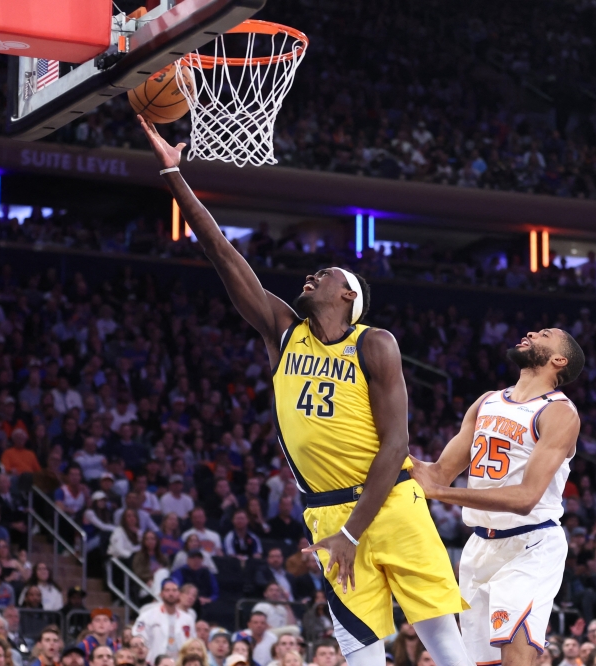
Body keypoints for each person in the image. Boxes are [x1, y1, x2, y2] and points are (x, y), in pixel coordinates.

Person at [141, 117, 469, 666]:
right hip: (325, 513)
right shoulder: (283, 332)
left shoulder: (375, 344)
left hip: (389, 504)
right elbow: (221, 252)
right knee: (358, 650)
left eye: (324, 273)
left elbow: (394, 449)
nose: (311, 277)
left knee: (442, 643)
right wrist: (174, 173)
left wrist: (351, 532)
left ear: (348, 294)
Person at [410, 327, 584, 666]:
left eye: (544, 335)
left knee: (516, 657)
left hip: (530, 545)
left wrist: (442, 494)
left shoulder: (559, 412)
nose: (532, 332)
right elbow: (439, 472)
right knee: (482, 662)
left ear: (558, 360)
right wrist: (391, 453)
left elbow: (526, 498)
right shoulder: (487, 401)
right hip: (479, 547)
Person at [132, 580, 195, 664]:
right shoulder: (148, 616)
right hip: (154, 662)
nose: (171, 593)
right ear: (161, 594)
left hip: (179, 663)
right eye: (167, 590)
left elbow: (192, 644)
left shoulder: (188, 619)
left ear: (178, 594)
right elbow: (137, 636)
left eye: (174, 590)